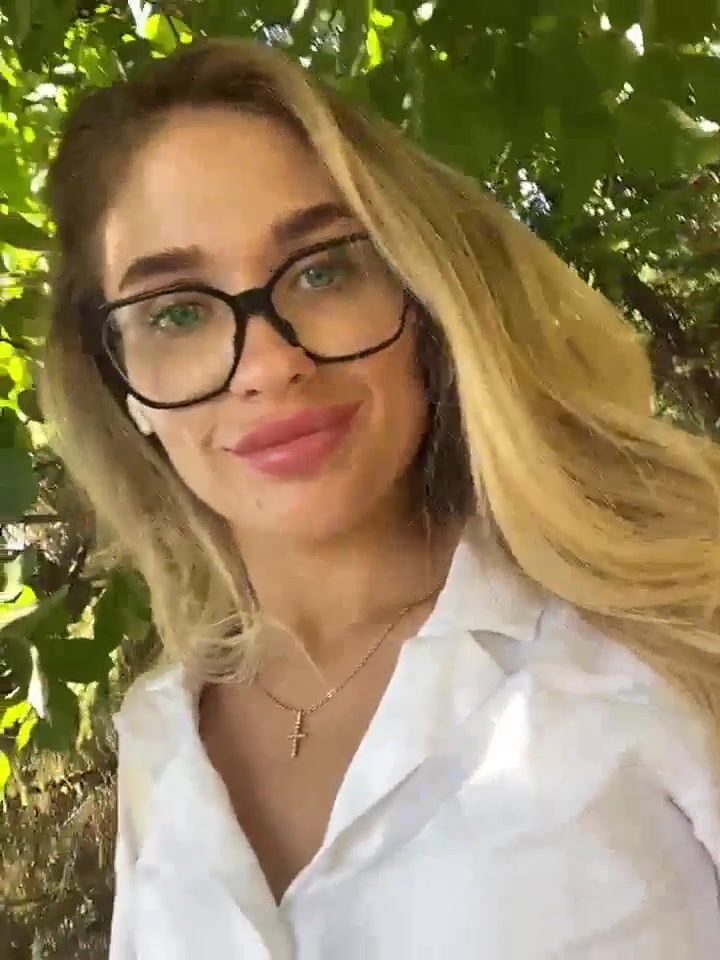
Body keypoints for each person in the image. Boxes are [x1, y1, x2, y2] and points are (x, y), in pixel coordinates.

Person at [38, 36, 720, 960]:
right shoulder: (162, 737)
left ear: (423, 304)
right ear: (122, 386)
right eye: (177, 313)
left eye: (322, 270)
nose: (270, 363)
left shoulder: (667, 642)